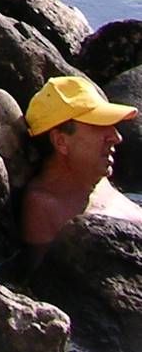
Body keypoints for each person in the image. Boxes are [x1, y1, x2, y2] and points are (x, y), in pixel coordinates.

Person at [20, 74, 141, 247]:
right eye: (99, 125)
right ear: (61, 142)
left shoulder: (94, 178)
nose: (117, 137)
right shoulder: (43, 207)